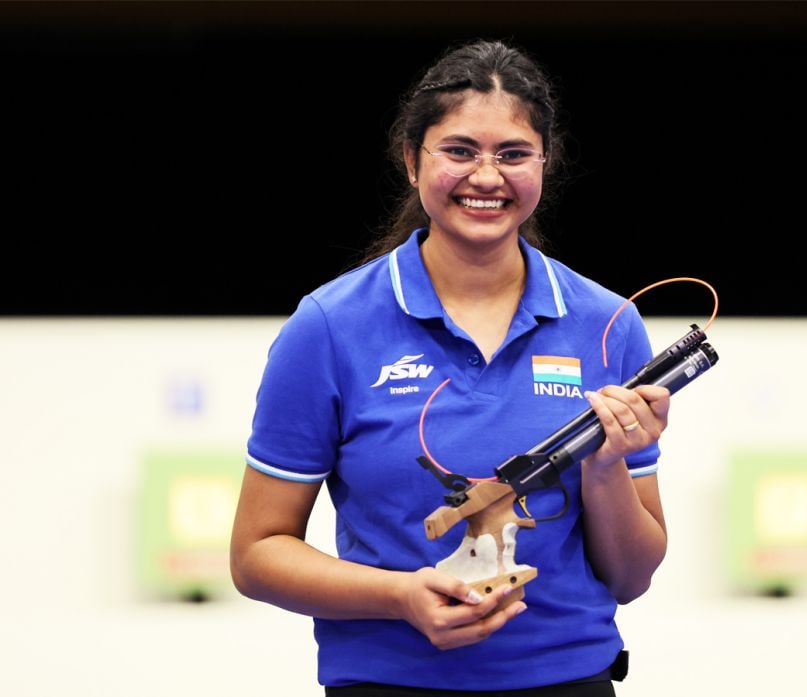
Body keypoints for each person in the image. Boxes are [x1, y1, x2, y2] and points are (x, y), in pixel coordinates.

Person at [230, 38, 671, 696]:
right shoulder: (329, 326)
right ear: (412, 161)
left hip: (570, 680)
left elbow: (631, 578)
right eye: (460, 150)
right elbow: (256, 553)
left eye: (514, 154)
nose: (487, 177)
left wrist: (606, 465)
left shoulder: (607, 324)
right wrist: (401, 595)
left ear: (545, 163)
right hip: (387, 683)